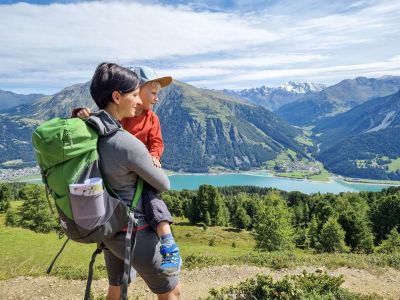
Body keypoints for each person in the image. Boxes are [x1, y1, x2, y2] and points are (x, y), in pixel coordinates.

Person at [86, 62, 181, 299]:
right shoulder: (123, 139)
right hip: (134, 228)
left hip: (108, 223)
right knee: (173, 292)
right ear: (119, 96)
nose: (140, 100)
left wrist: (154, 156)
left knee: (116, 289)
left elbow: (157, 143)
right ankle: (167, 240)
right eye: (136, 94)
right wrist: (145, 165)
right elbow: (164, 184)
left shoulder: (97, 130)